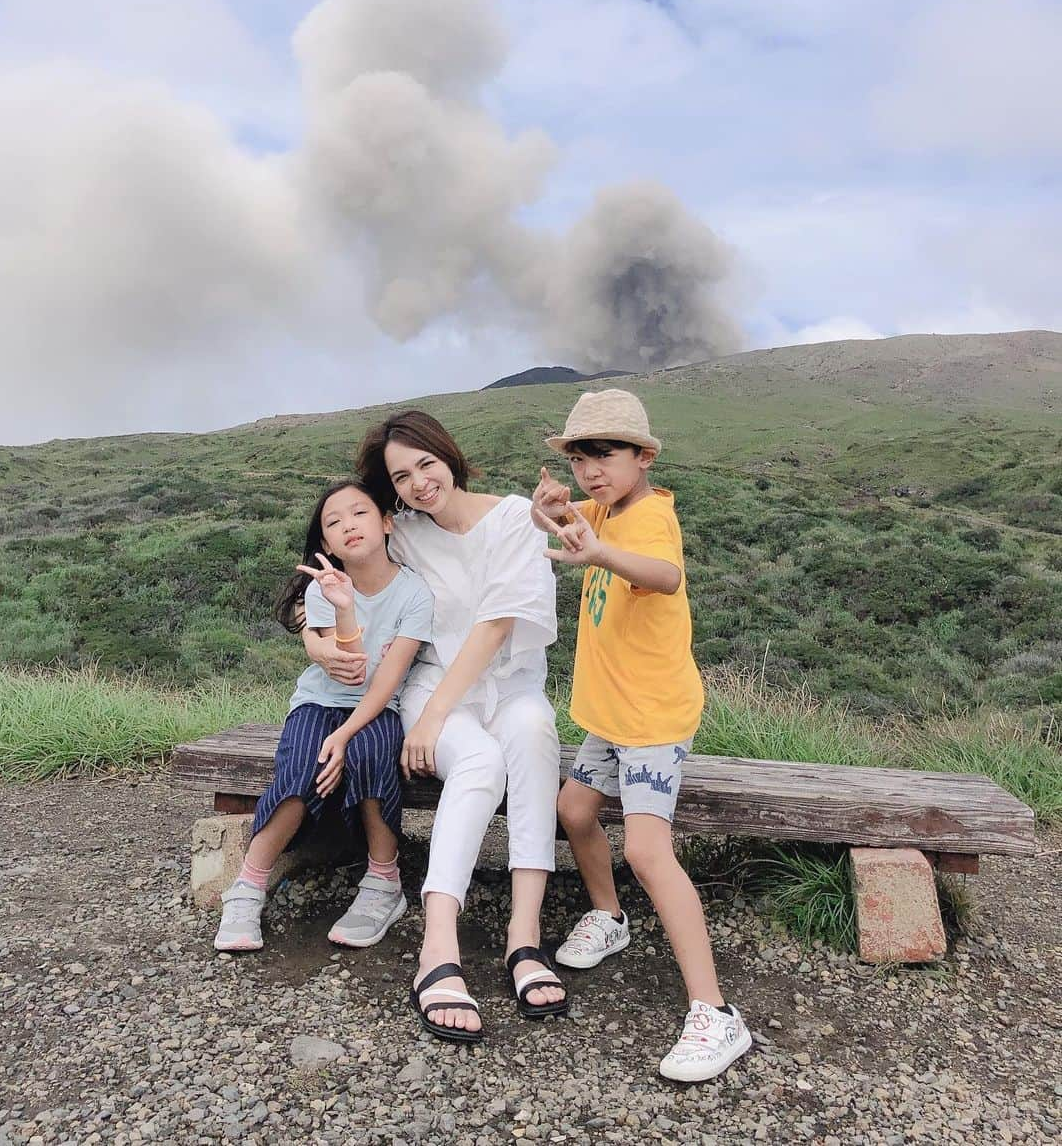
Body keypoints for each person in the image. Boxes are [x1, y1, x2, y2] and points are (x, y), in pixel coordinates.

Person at [531, 389, 752, 1083]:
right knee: (572, 810)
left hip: (653, 719)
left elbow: (664, 574)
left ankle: (716, 1013)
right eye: (579, 456)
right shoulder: (601, 510)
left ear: (643, 457)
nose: (590, 470)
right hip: (612, 717)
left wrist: (599, 552)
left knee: (652, 852)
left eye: (605, 454)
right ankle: (609, 916)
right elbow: (578, 522)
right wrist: (554, 512)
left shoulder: (652, 517)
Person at [356, 411, 568, 1043]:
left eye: (426, 463)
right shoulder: (405, 533)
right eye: (402, 476)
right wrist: (325, 642)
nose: (421, 482)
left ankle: (523, 938)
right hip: (433, 686)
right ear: (391, 488)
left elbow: (499, 623)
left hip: (508, 686)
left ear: (447, 455)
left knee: (533, 734)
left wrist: (439, 714)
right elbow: (352, 558)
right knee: (479, 763)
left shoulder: (512, 517)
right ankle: (437, 947)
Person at [213, 479, 433, 954]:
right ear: (326, 544)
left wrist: (346, 736)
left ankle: (383, 881)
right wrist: (345, 607)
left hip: (377, 707)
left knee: (372, 754)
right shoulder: (324, 588)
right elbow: (348, 670)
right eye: (333, 523)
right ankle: (248, 885)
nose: (348, 526)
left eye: (359, 513)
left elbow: (380, 685)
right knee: (302, 766)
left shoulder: (414, 594)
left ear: (387, 522)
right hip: (317, 702)